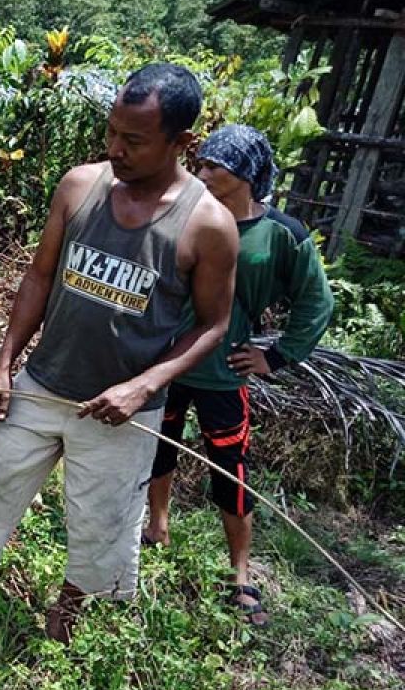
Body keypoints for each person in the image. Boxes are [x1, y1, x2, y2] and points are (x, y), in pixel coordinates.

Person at [0, 63, 239, 643]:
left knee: (103, 520)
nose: (116, 149)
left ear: (182, 143)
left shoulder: (208, 225)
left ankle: (71, 611)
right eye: (112, 132)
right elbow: (39, 278)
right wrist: (4, 364)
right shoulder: (79, 187)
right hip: (42, 382)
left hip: (121, 408)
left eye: (135, 140)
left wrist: (145, 386)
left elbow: (214, 325)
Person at [141, 124, 335, 626]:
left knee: (232, 475)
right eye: (199, 164)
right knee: (158, 451)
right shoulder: (185, 213)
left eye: (213, 166)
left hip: (224, 376)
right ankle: (155, 529)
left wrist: (277, 356)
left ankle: (241, 575)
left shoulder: (281, 235)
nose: (201, 172)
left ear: (246, 173)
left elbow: (316, 302)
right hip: (164, 364)